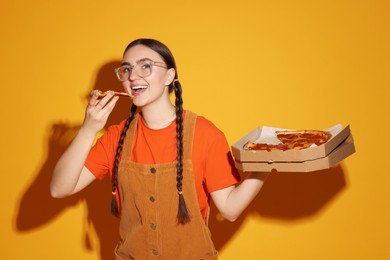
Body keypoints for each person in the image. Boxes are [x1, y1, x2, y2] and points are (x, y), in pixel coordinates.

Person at [50, 38, 268, 259]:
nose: (133, 76)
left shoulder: (205, 133)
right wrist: (88, 129)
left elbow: (230, 210)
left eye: (146, 66)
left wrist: (266, 164)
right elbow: (59, 188)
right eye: (127, 69)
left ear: (170, 76)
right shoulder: (116, 136)